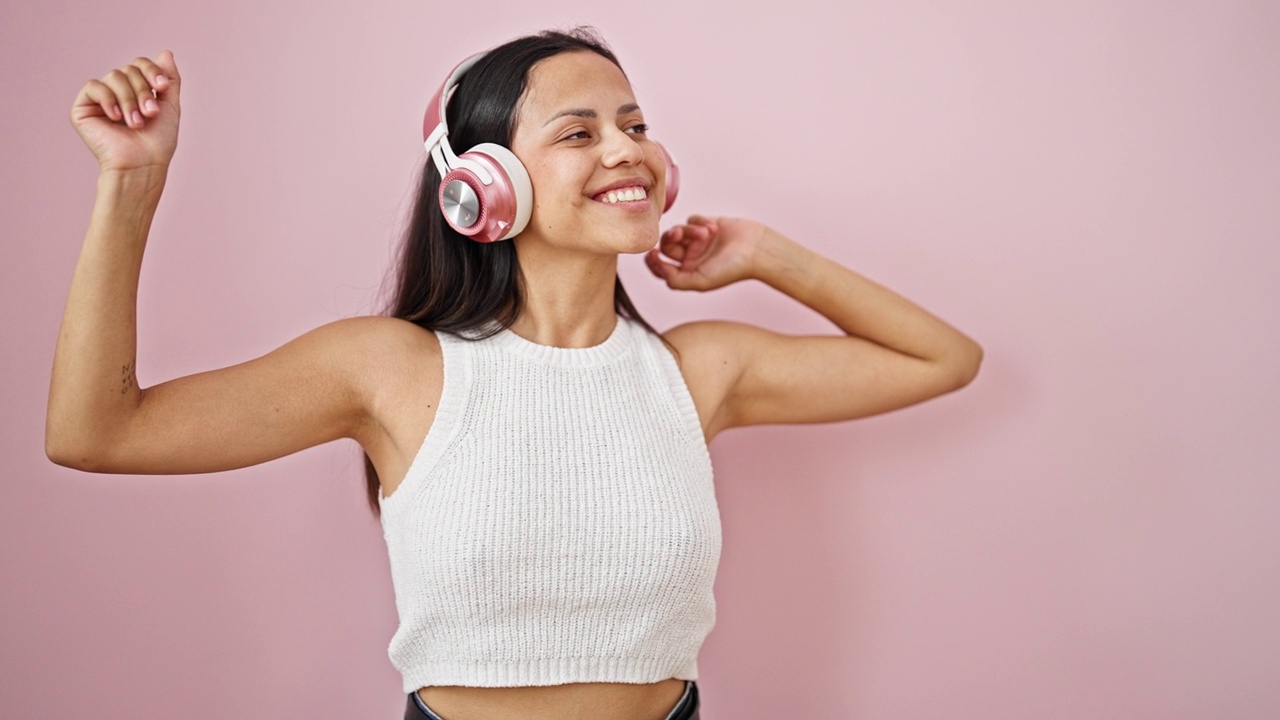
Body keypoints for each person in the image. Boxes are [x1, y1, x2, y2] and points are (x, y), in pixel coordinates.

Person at [48, 27, 982, 720]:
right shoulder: (387, 367)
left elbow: (943, 359)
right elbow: (98, 432)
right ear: (484, 185)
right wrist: (131, 182)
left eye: (636, 124)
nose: (628, 151)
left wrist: (769, 254)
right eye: (579, 133)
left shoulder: (698, 369)